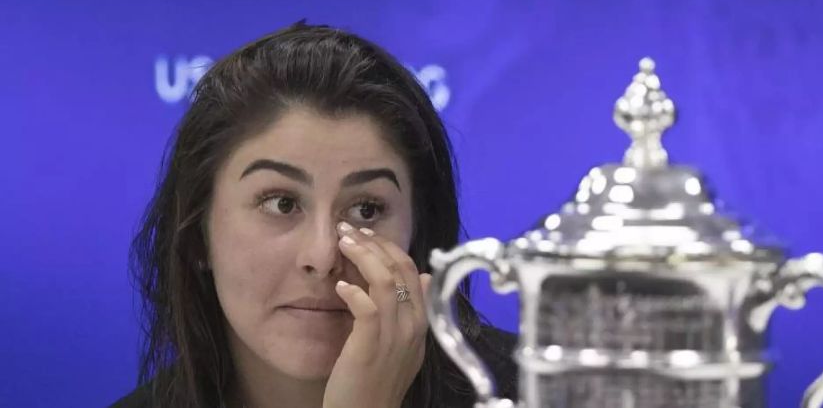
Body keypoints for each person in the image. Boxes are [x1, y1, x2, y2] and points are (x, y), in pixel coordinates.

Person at [111, 22, 518, 408]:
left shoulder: (542, 391)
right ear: (199, 233)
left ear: (418, 234)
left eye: (367, 210)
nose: (323, 257)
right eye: (281, 203)